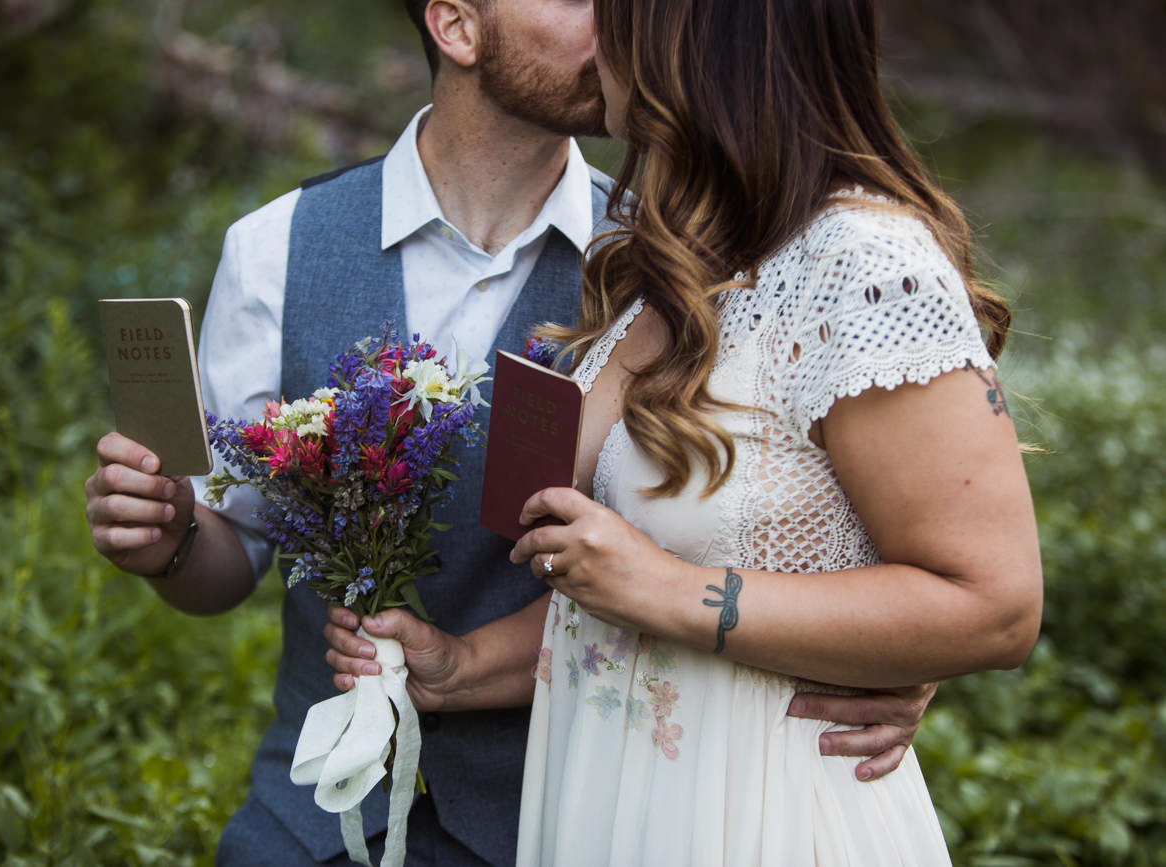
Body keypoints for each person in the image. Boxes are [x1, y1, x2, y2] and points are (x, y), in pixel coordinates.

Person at [87, 0, 942, 864]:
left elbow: (776, 509)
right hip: (311, 819)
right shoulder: (274, 249)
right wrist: (171, 536)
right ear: (457, 27)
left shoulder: (667, 261)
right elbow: (229, 558)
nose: (617, 21)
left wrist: (895, 651)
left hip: (561, 812)